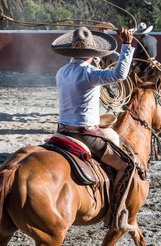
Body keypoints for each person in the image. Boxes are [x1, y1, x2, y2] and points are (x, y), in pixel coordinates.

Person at [51, 26, 136, 231]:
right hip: (85, 134)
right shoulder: (90, 73)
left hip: (61, 131)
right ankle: (115, 215)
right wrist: (127, 45)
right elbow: (120, 74)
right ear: (93, 53)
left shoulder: (62, 72)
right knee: (127, 165)